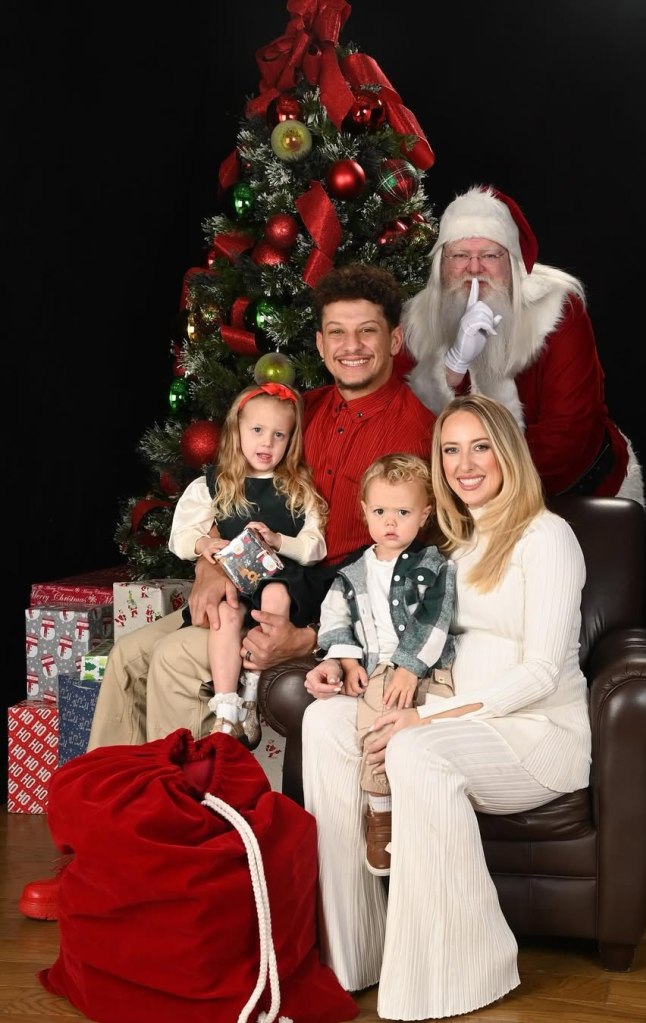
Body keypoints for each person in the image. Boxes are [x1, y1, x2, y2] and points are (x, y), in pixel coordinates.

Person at [18, 263, 436, 921]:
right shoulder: (301, 414)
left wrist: (307, 636)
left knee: (173, 662)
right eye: (335, 332)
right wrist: (211, 570)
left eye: (366, 331)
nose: (350, 345)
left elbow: (401, 565)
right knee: (128, 655)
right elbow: (234, 499)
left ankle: (181, 866)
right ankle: (96, 854)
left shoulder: (418, 428)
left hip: (316, 612)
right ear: (321, 342)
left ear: (393, 338)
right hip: (241, 587)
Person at [301, 393, 592, 1021]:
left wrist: (422, 718)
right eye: (450, 450)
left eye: (480, 446)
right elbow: (396, 632)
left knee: (415, 750)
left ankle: (455, 972)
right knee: (324, 722)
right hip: (456, 714)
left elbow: (542, 671)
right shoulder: (450, 546)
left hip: (535, 735)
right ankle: (356, 953)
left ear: (508, 452)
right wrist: (346, 664)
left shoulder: (546, 538)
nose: (465, 463)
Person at [394, 184, 645, 506]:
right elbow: (403, 428)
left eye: (489, 255)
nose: (473, 269)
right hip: (465, 501)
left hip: (575, 494)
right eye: (459, 255)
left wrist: (479, 489)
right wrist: (452, 370)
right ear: (441, 265)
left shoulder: (557, 308)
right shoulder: (414, 323)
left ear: (512, 265)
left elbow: (568, 434)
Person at [306, 453, 456, 877]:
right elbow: (334, 619)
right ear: (364, 513)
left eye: (403, 512)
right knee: (374, 725)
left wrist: (410, 668)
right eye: (380, 511)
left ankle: (427, 809)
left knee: (434, 724)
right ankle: (381, 811)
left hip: (428, 668)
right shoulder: (351, 574)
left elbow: (435, 616)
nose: (391, 522)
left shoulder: (433, 566)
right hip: (378, 670)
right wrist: (346, 660)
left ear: (424, 515)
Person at [169, 380, 327, 746]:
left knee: (275, 596)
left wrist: (278, 540)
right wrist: (204, 542)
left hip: (280, 577)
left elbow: (314, 546)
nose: (266, 443)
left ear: (291, 441)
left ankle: (252, 694)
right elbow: (180, 535)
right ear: (236, 430)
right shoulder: (218, 483)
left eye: (279, 435)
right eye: (257, 431)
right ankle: (227, 710)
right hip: (236, 577)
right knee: (225, 613)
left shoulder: (298, 487)